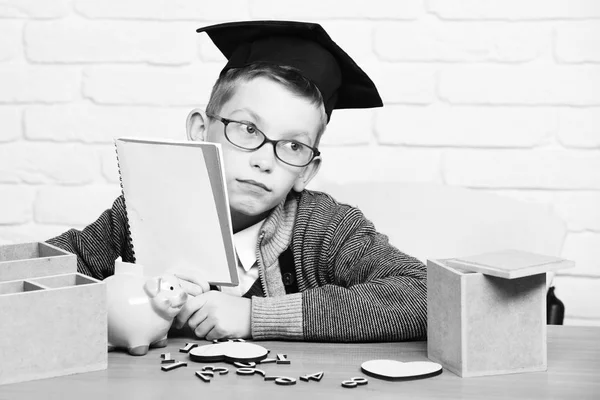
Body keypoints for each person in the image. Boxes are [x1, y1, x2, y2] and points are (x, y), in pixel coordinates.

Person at [47, 20, 427, 342]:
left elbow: (425, 294)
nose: (263, 160)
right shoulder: (140, 214)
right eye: (247, 129)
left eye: (293, 145)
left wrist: (253, 316)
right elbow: (39, 274)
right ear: (200, 129)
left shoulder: (327, 230)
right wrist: (134, 301)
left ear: (307, 170)